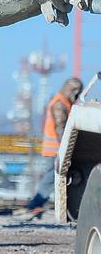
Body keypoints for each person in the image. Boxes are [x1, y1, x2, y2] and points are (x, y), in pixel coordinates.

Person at [23, 76, 83, 217]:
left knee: (54, 177)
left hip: (55, 149)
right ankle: (35, 204)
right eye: (77, 93)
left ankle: (39, 205)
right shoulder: (59, 104)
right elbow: (60, 127)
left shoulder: (62, 102)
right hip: (55, 149)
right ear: (71, 91)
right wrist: (68, 146)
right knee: (51, 177)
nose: (77, 96)